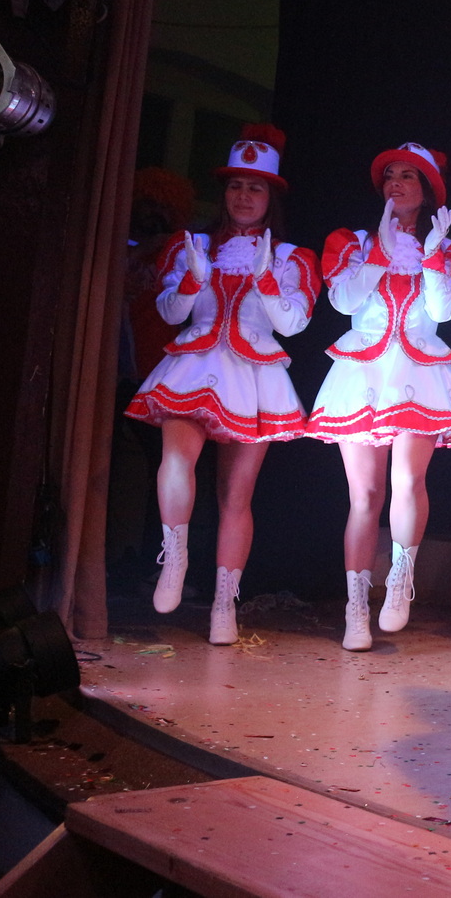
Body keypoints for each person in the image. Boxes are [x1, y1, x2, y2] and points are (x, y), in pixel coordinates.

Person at [126, 125, 319, 645]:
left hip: (253, 375)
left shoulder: (291, 257)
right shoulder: (192, 246)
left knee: (235, 496)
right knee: (176, 459)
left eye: (255, 187)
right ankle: (174, 559)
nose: (243, 196)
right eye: (235, 186)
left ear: (271, 196)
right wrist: (193, 278)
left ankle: (223, 604)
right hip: (194, 363)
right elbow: (170, 313)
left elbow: (294, 323)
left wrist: (267, 279)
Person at [308, 143, 451, 651]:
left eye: (408, 176)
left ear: (427, 190)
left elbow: (444, 312)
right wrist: (380, 252)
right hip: (363, 369)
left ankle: (400, 579)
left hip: (418, 369)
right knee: (364, 496)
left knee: (408, 480)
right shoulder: (352, 242)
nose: (396, 183)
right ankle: (355, 608)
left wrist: (431, 255)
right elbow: (343, 301)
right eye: (390, 176)